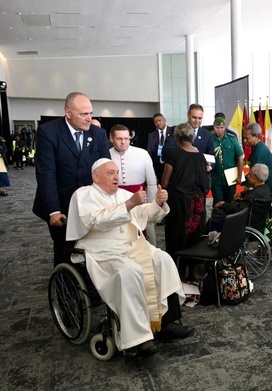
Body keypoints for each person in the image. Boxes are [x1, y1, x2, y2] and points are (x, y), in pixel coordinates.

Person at [66, 159, 193, 362]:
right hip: (103, 252)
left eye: (117, 172)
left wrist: (157, 203)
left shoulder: (124, 195)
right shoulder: (83, 195)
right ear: (95, 176)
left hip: (133, 246)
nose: (116, 177)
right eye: (110, 173)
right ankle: (138, 340)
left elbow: (145, 216)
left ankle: (167, 323)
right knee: (129, 272)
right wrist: (130, 204)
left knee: (163, 259)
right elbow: (95, 221)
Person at [33, 92, 111, 267]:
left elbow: (106, 170)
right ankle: (64, 290)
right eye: (84, 114)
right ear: (68, 112)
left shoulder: (99, 134)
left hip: (91, 205)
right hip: (62, 205)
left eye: (90, 113)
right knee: (66, 251)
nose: (89, 118)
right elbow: (46, 173)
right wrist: (53, 210)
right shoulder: (49, 132)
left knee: (92, 250)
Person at [161, 123, 210, 279]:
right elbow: (205, 184)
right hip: (197, 205)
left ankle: (178, 275)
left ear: (176, 137)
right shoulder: (201, 156)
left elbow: (165, 182)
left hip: (179, 205)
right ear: (192, 137)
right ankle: (192, 274)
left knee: (178, 237)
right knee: (194, 237)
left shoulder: (174, 154)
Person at [109, 124, 158, 245]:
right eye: (119, 139)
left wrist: (152, 204)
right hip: (115, 201)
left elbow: (151, 183)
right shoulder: (105, 154)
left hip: (140, 200)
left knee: (142, 233)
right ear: (111, 138)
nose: (123, 142)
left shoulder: (142, 154)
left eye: (126, 139)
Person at [214, 163, 272, 232]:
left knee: (215, 218)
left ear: (255, 177)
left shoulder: (253, 196)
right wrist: (241, 194)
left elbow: (238, 211)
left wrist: (223, 204)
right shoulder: (266, 190)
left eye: (249, 175)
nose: (248, 177)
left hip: (243, 225)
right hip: (258, 225)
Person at [211, 117, 244, 204]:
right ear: (214, 128)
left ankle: (229, 218)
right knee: (218, 203)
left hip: (230, 178)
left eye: (222, 128)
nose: (219, 130)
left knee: (230, 202)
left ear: (225, 127)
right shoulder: (210, 140)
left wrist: (239, 176)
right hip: (216, 177)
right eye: (217, 128)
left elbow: (240, 158)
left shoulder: (232, 139)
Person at [243, 122, 272, 202]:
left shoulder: (259, 151)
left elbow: (255, 175)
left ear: (255, 136)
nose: (245, 141)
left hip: (267, 187)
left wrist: (244, 192)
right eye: (244, 138)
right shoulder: (257, 147)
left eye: (247, 138)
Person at [148, 113, 174, 185]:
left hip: (170, 163)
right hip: (158, 165)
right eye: (156, 122)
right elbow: (149, 151)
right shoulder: (151, 135)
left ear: (164, 120)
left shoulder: (172, 131)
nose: (158, 123)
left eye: (160, 120)